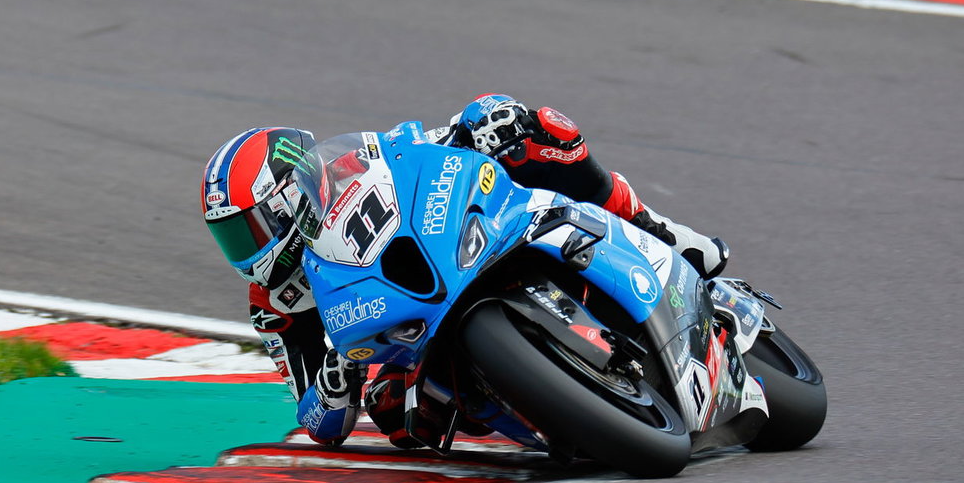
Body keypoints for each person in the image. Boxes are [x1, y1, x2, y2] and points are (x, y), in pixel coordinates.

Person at [200, 95, 728, 446]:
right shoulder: (274, 304)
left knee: (539, 137)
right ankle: (547, 407)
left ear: (287, 196)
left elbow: (413, 144)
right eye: (231, 237)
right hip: (400, 338)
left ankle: (662, 233)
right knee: (395, 416)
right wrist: (335, 382)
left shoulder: (350, 166)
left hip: (446, 249)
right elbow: (319, 423)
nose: (247, 250)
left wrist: (477, 124)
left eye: (249, 228)